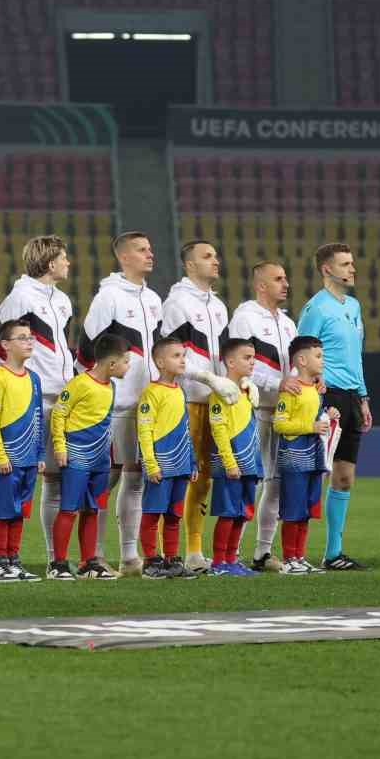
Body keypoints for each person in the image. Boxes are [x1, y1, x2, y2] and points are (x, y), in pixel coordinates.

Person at [78, 231, 163, 576]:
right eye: (142, 250)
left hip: (144, 403)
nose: (150, 254)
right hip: (114, 405)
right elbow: (87, 349)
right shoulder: (108, 298)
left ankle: (130, 557)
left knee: (136, 477)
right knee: (106, 479)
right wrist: (98, 394)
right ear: (124, 257)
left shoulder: (154, 299)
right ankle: (94, 555)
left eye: (150, 248)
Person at [0, 235, 75, 564]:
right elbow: (1, 346)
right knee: (10, 479)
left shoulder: (63, 301)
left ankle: (53, 558)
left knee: (56, 478)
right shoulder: (20, 298)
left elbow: (62, 346)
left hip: (61, 398)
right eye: (64, 257)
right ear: (49, 261)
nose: (68, 263)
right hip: (28, 399)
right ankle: (0, 557)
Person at [296, 242, 371, 571]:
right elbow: (300, 354)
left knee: (345, 475)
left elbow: (356, 355)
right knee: (311, 474)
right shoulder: (316, 308)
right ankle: (292, 552)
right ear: (327, 269)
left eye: (352, 263)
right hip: (327, 397)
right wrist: (312, 397)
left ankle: (333, 552)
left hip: (352, 397)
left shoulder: (353, 306)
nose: (352, 269)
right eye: (345, 264)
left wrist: (364, 397)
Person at [160, 239, 229, 573]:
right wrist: (209, 378)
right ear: (189, 265)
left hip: (211, 403)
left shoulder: (217, 306)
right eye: (208, 256)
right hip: (186, 399)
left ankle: (194, 550)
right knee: (182, 475)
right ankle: (166, 551)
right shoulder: (177, 303)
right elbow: (171, 356)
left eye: (215, 255)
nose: (216, 261)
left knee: (204, 477)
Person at [226, 261, 297, 570]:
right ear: (261, 285)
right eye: (278, 279)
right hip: (253, 410)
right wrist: (275, 383)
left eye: (286, 278)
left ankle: (262, 553)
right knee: (250, 482)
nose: (286, 284)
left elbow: (293, 367)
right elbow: (238, 366)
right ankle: (232, 553)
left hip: (282, 412)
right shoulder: (245, 318)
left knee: (278, 483)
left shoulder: (288, 323)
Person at [49, 332, 130, 581]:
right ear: (111, 364)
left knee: (93, 509)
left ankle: (88, 563)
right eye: (126, 362)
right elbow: (58, 414)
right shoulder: (79, 384)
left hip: (100, 458)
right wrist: (60, 447)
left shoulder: (112, 386)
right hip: (76, 455)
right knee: (69, 509)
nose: (128, 367)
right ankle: (58, 564)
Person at [0, 319, 43, 582]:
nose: (28, 342)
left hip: (29, 457)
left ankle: (14, 559)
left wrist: (40, 455)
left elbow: (38, 418)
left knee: (20, 510)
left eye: (30, 337)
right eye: (22, 337)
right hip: (7, 457)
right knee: (4, 509)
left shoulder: (35, 379)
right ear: (6, 345)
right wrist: (0, 454)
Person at [137, 337, 197, 580]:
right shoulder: (151, 393)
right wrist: (150, 463)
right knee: (153, 514)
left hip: (181, 465)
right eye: (176, 356)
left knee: (174, 515)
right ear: (160, 362)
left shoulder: (180, 391)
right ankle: (151, 561)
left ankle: (172, 560)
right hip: (161, 465)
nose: (182, 360)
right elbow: (144, 430)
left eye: (183, 355)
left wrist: (191, 461)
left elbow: (185, 427)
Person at [272, 335, 333, 574]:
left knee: (306, 511)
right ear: (301, 360)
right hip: (295, 459)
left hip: (313, 458)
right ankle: (288, 560)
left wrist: (329, 415)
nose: (322, 361)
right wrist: (310, 427)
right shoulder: (292, 390)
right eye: (318, 356)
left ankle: (300, 556)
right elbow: (279, 424)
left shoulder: (316, 389)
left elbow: (316, 417)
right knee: (293, 511)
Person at [207, 338, 261, 575]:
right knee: (228, 513)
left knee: (243, 513)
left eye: (253, 357)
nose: (252, 362)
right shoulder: (220, 394)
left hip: (249, 463)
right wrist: (229, 463)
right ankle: (219, 562)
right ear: (230, 361)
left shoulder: (247, 391)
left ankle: (232, 559)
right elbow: (219, 430)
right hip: (231, 464)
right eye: (246, 358)